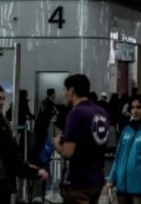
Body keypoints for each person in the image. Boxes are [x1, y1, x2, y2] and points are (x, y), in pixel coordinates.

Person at [55, 74, 111, 204]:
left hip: (78, 182)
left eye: (65, 89)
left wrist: (57, 144)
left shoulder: (75, 113)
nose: (64, 94)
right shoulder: (102, 113)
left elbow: (68, 152)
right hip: (97, 178)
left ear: (71, 90)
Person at [107, 95, 141, 204]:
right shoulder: (126, 130)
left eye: (139, 107)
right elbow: (118, 157)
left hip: (140, 188)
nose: (134, 111)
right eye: (132, 107)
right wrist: (112, 178)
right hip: (122, 187)